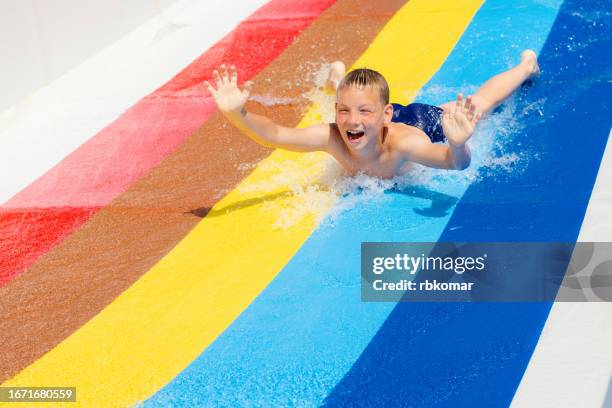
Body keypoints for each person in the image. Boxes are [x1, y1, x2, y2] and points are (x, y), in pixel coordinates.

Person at [204, 50, 540, 179]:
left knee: (476, 106)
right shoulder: (334, 135)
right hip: (385, 115)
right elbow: (276, 134)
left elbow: (455, 163)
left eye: (364, 112)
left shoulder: (405, 143)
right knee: (357, 103)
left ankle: (526, 66)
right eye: (343, 111)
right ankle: (341, 81)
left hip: (422, 121)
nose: (351, 121)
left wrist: (457, 143)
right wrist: (240, 114)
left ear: (385, 115)